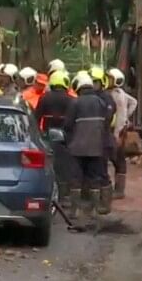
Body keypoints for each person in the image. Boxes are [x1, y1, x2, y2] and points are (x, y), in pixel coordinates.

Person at [64, 74, 107, 225]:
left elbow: (68, 125)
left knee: (76, 179)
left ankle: (75, 210)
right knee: (94, 178)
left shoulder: (75, 103)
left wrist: (69, 141)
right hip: (96, 147)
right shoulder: (101, 102)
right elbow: (106, 123)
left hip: (77, 148)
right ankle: (94, 210)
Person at [36, 70, 76, 208]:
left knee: (50, 165)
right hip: (67, 138)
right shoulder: (71, 99)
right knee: (66, 167)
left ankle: (50, 194)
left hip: (47, 136)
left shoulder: (44, 98)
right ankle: (65, 196)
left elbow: (36, 117)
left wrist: (38, 134)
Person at [90, 66, 117, 215]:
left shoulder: (106, 98)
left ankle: (105, 203)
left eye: (96, 82)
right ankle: (94, 201)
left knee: (102, 171)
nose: (93, 84)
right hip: (92, 139)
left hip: (103, 138)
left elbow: (108, 117)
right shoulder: (90, 97)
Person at [107, 68, 137, 199]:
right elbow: (134, 102)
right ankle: (118, 189)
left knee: (118, 160)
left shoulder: (116, 95)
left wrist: (117, 134)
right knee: (118, 160)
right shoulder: (120, 93)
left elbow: (120, 117)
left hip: (117, 131)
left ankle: (119, 191)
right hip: (118, 130)